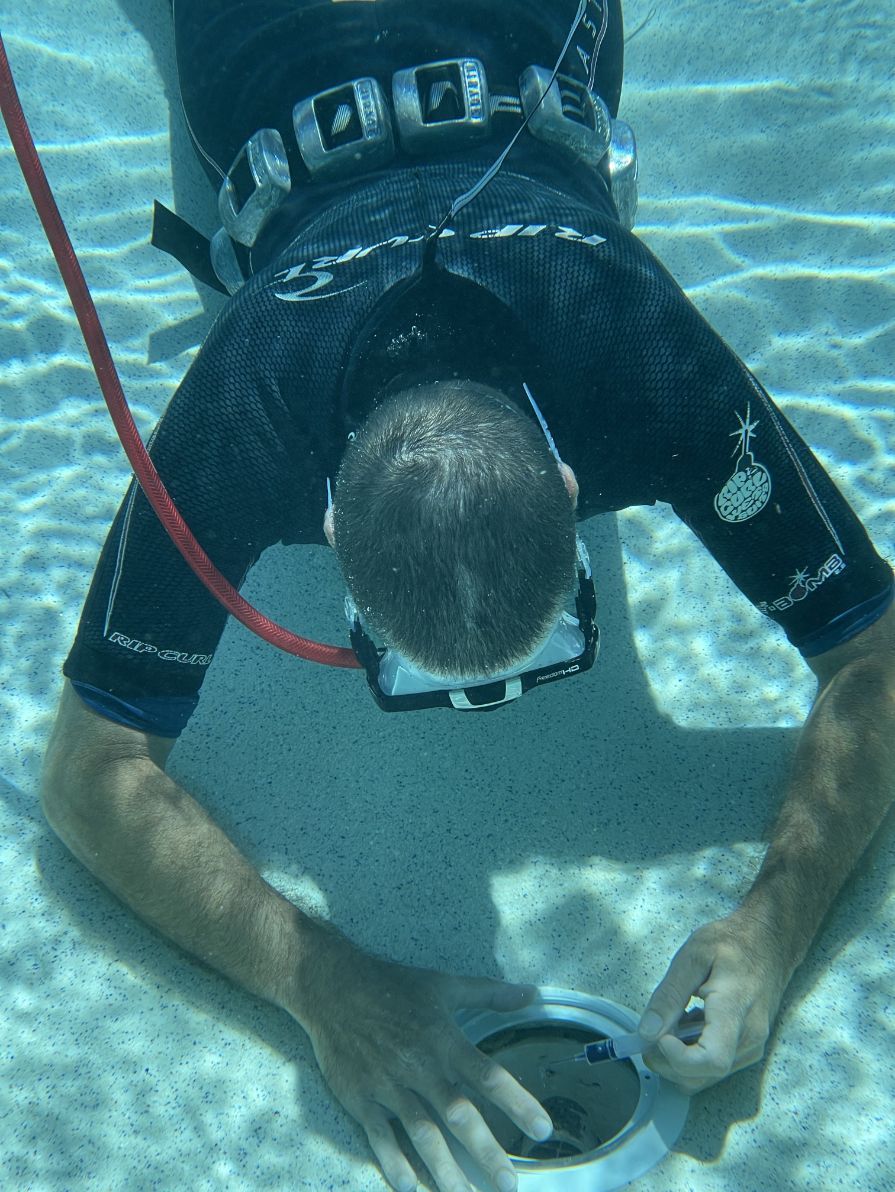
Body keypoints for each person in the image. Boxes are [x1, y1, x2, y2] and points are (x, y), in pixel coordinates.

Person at [41, 2, 894, 1190]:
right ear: (566, 476)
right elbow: (82, 780)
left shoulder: (637, 364)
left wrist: (781, 920)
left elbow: (883, 663)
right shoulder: (253, 413)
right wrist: (315, 977)